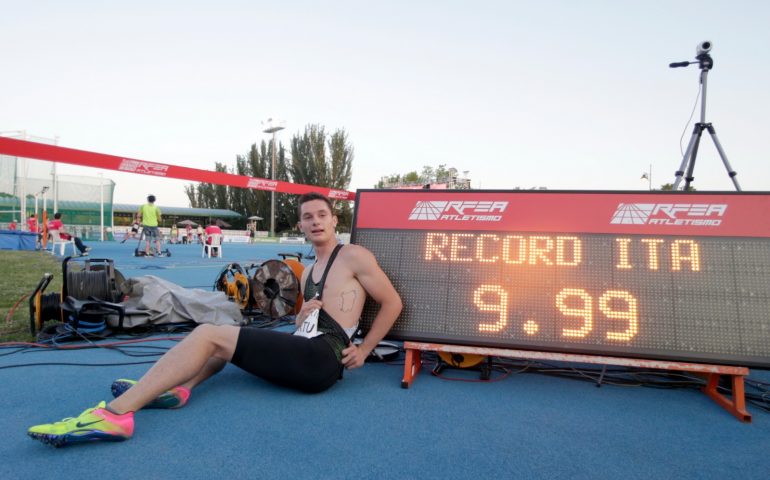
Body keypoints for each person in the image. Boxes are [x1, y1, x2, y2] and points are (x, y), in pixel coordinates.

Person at [27, 192, 402, 447]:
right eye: (308, 217)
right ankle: (178, 389)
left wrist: (365, 349)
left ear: (334, 220)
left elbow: (392, 303)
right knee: (227, 340)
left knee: (209, 333)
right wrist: (302, 315)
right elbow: (311, 322)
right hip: (306, 352)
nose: (316, 221)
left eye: (322, 215)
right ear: (301, 225)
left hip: (323, 360)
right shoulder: (306, 272)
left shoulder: (354, 255)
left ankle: (116, 416)